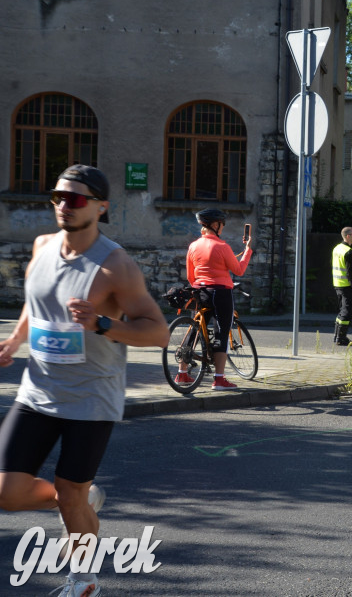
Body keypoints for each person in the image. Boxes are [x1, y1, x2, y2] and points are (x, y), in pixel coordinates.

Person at [0, 165, 170, 597]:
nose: (63, 206)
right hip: (38, 390)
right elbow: (35, 303)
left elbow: (157, 331)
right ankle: (80, 499)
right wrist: (15, 341)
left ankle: (83, 581)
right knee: (8, 492)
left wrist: (101, 323)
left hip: (91, 398)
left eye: (74, 199)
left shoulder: (115, 266)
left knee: (69, 493)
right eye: (57, 197)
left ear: (100, 207)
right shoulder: (41, 246)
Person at [181, 208, 253, 390]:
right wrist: (247, 251)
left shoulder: (193, 246)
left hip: (200, 291)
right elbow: (239, 270)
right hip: (221, 293)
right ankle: (219, 379)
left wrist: (200, 286)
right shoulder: (222, 247)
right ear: (215, 225)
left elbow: (191, 276)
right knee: (222, 331)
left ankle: (182, 373)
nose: (222, 228)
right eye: (222, 224)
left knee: (195, 330)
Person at [332, 226, 352, 346]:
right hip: (347, 286)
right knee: (347, 312)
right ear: (348, 236)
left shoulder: (337, 248)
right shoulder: (348, 252)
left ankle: (337, 336)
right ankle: (341, 338)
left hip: (338, 284)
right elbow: (351, 272)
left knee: (342, 311)